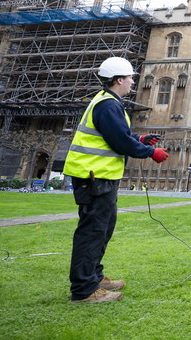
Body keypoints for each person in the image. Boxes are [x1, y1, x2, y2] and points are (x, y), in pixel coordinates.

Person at [64, 56, 170, 303]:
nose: (133, 82)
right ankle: (84, 290)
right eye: (131, 78)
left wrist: (141, 140)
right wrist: (150, 152)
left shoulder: (109, 103)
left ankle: (95, 276)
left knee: (103, 229)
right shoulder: (108, 105)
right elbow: (120, 142)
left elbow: (119, 134)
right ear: (119, 79)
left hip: (101, 177)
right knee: (92, 232)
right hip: (93, 177)